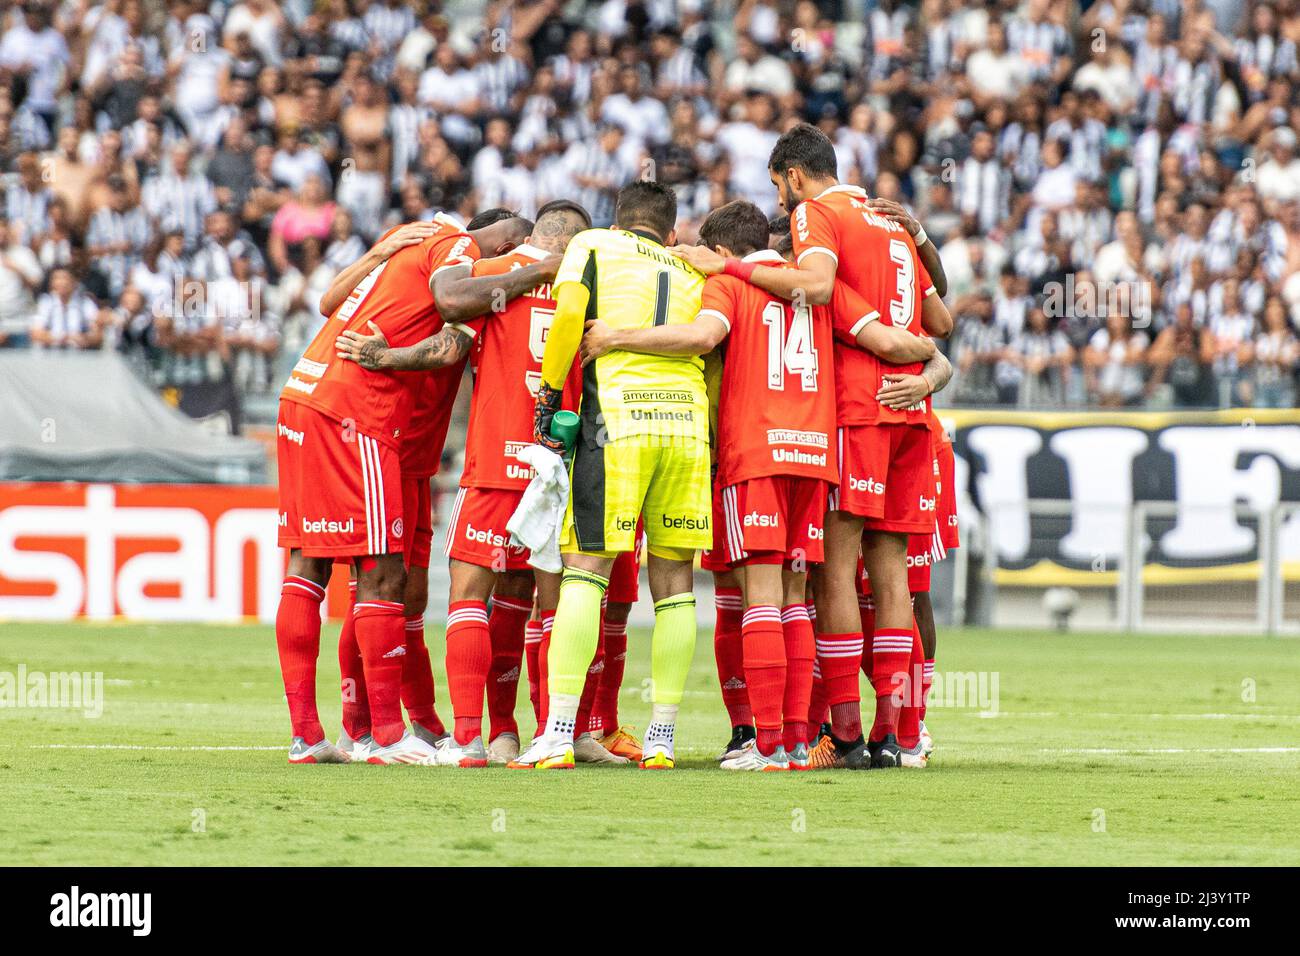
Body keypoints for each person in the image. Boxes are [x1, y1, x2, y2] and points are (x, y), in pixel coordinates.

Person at [582, 199, 934, 770]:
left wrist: (619, 336)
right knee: (798, 600)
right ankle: (798, 741)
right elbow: (893, 341)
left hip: (756, 454)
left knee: (761, 597)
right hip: (816, 459)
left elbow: (698, 338)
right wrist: (934, 361)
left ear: (721, 252)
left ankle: (765, 743)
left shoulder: (727, 285)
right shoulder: (821, 288)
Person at [672, 123, 954, 768]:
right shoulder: (891, 221)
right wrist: (916, 353)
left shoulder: (816, 216)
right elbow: (939, 324)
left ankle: (844, 737)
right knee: (894, 582)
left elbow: (819, 288)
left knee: (830, 576)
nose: (780, 203)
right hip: (913, 411)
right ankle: (901, 737)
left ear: (795, 176)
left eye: (779, 187)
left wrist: (731, 266)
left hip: (856, 411)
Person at [334, 200, 589, 766]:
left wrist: (386, 356)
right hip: (562, 466)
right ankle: (551, 737)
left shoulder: (493, 273)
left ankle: (472, 738)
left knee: (471, 598)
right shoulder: (591, 281)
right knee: (548, 607)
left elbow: (450, 343)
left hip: (499, 461)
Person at [272, 207, 532, 765]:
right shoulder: (460, 251)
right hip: (358, 415)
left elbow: (327, 304)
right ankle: (385, 736)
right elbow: (454, 311)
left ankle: (325, 733)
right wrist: (538, 270)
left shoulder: (407, 240)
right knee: (380, 575)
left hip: (314, 404)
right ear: (511, 241)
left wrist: (375, 251)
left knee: (322, 567)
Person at [513, 180, 710, 771]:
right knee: (675, 587)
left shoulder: (595, 244)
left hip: (618, 424)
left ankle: (558, 733)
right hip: (687, 426)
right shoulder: (690, 267)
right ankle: (663, 738)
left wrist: (549, 393)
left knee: (586, 572)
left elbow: (571, 313)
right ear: (670, 231)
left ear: (619, 220)